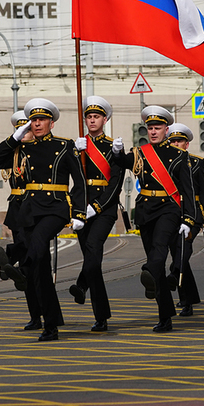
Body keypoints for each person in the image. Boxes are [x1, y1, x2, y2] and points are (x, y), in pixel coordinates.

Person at [0, 98, 87, 342]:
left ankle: (20, 266)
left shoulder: (65, 146)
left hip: (55, 207)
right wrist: (13, 138)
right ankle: (50, 325)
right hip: (30, 209)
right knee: (41, 269)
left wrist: (80, 213)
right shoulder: (22, 148)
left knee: (40, 242)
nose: (37, 123)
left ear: (51, 123)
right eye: (33, 120)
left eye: (42, 119)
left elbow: (80, 181)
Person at [113, 106, 196, 332]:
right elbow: (123, 163)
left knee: (159, 252)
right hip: (146, 210)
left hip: (169, 209)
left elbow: (188, 191)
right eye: (150, 128)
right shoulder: (140, 153)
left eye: (157, 127)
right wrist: (118, 152)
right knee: (156, 262)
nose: (153, 131)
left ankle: (148, 269)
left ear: (166, 130)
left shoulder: (180, 156)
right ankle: (164, 315)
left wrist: (188, 219)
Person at [0, 110, 42, 330]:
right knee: (28, 265)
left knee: (34, 259)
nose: (23, 133)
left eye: (27, 129)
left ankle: (10, 258)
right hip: (17, 207)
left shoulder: (40, 150)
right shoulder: (13, 153)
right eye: (19, 129)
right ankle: (34, 314)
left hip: (35, 206)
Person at [70, 96, 125, 332]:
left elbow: (116, 182)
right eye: (89, 117)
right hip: (82, 207)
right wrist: (73, 153)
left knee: (93, 248)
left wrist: (99, 207)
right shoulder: (78, 146)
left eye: (96, 117)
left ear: (105, 119)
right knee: (93, 261)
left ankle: (82, 286)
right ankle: (100, 316)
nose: (92, 120)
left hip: (104, 208)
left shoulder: (113, 148)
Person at [166, 122, 204, 317]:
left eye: (179, 141)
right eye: (173, 141)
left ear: (186, 144)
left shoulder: (196, 162)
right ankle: (189, 298)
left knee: (183, 252)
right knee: (179, 254)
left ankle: (175, 278)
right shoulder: (165, 162)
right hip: (171, 213)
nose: (176, 144)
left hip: (193, 214)